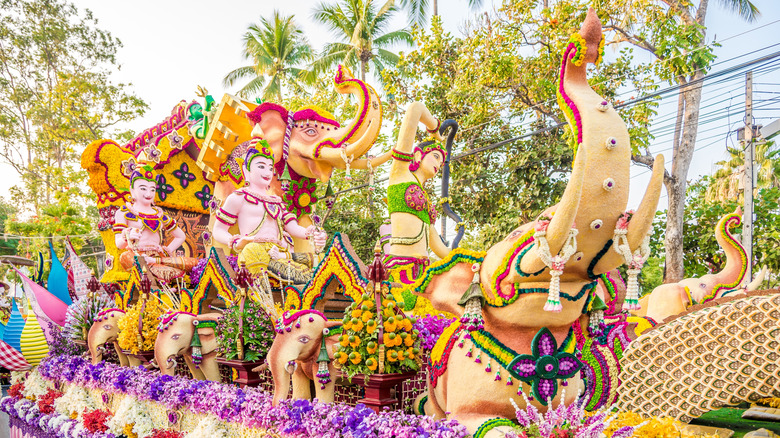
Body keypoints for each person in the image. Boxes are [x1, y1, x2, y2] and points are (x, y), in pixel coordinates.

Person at [212, 140, 326, 283]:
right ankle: (263, 300)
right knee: (253, 251)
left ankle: (298, 281)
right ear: (246, 170)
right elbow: (218, 230)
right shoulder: (238, 197)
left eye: (270, 167)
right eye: (261, 166)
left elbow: (293, 227)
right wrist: (236, 242)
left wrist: (311, 233)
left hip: (280, 254)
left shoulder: (277, 202)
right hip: (253, 252)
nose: (267, 172)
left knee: (320, 259)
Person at [113, 164, 198, 282]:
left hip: (158, 258)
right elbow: (118, 244)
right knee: (125, 257)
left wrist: (166, 250)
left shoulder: (159, 215)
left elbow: (180, 236)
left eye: (152, 189)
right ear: (132, 190)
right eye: (143, 188)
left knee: (194, 263)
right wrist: (127, 236)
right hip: (138, 256)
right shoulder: (123, 213)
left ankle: (159, 267)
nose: (148, 194)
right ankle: (163, 274)